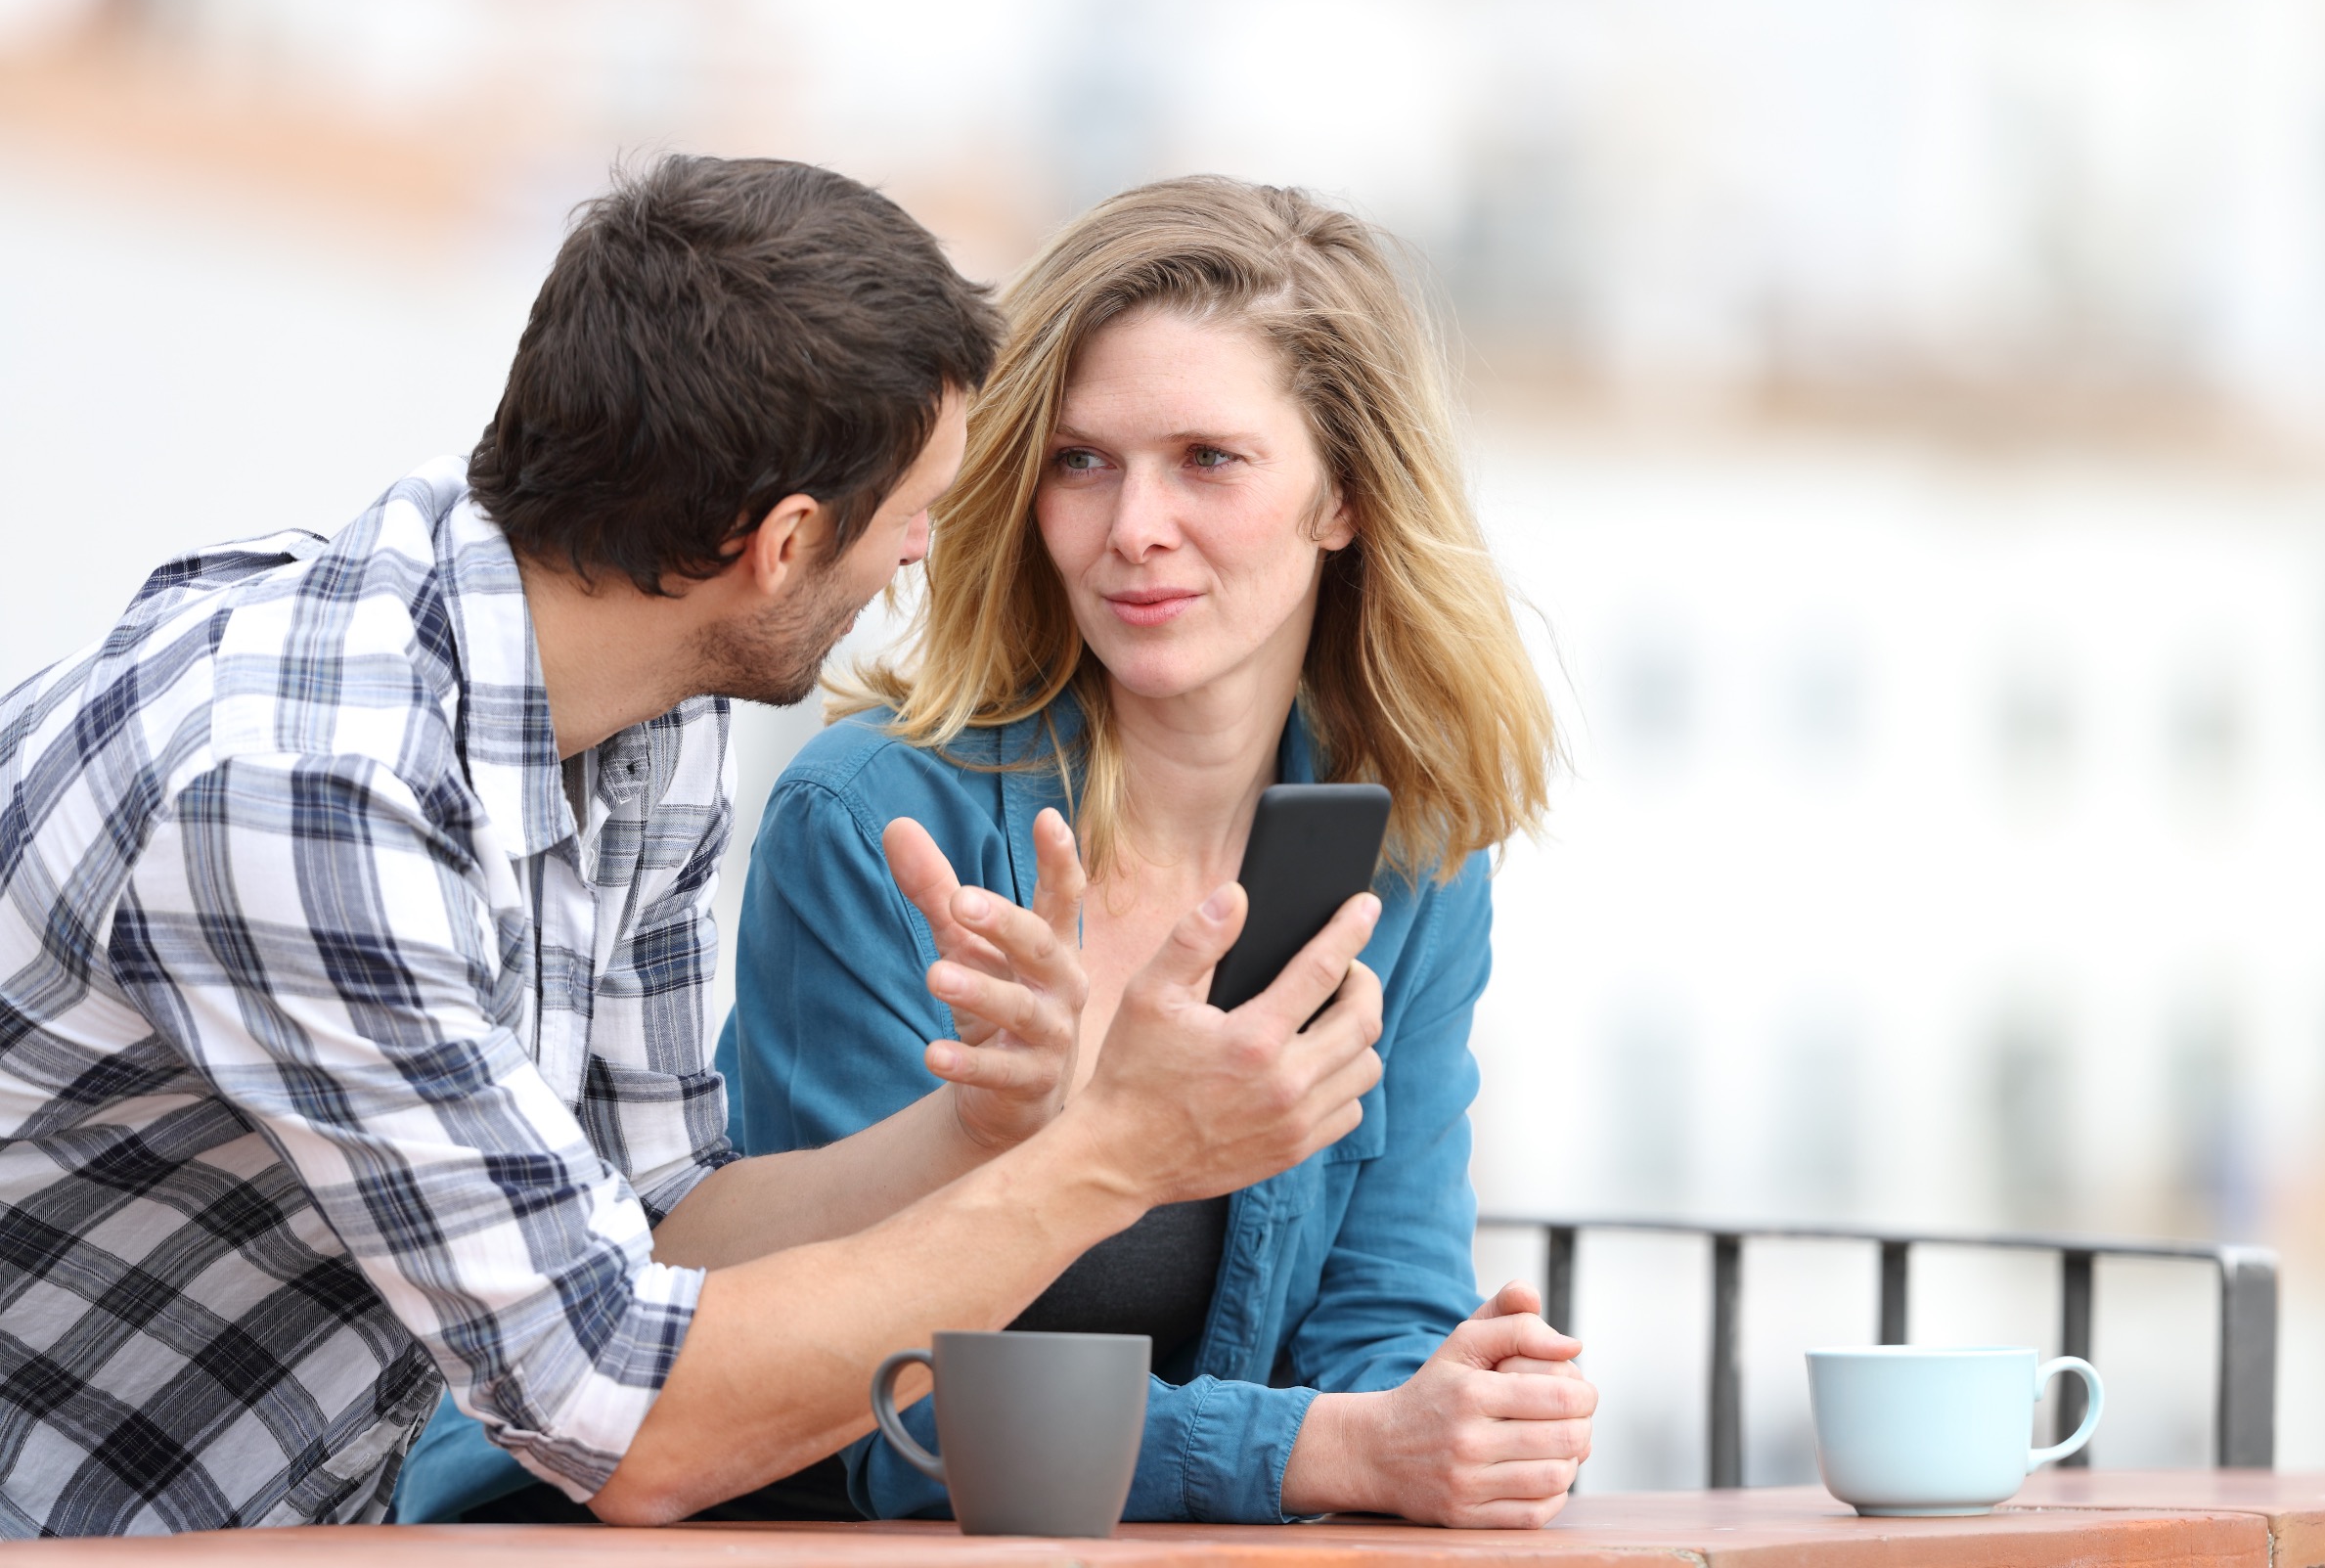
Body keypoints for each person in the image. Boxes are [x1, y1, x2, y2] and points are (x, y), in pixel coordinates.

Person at [0, 157, 1391, 1536]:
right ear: (784, 544)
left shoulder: (635, 695)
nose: (920, 553)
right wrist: (1116, 1158)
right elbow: (628, 1424)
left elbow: (661, 1218)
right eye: (912, 507)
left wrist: (976, 1126)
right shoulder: (307, 795)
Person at [406, 176, 1594, 1530]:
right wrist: (1320, 1452)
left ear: (1345, 500)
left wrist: (1455, 1420)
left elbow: (1385, 1321)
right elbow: (893, 1410)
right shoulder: (875, 818)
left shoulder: (1411, 853)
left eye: (1208, 460)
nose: (1134, 526)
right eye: (1081, 462)